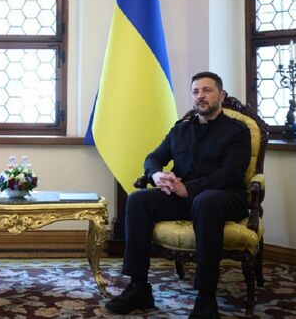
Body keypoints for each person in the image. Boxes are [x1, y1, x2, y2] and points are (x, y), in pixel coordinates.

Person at [105, 71, 251, 319]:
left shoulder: (237, 131)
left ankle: (206, 297)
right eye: (195, 91)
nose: (200, 96)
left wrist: (190, 188)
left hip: (223, 197)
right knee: (138, 200)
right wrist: (156, 175)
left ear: (221, 96)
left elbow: (231, 173)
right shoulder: (181, 129)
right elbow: (154, 157)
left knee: (205, 202)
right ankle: (139, 287)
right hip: (184, 198)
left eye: (207, 90)